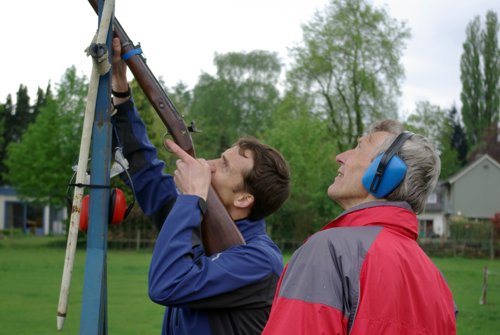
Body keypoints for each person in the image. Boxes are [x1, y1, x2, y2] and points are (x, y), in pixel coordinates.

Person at [110, 37, 291, 335]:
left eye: (223, 166)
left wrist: (192, 197)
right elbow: (144, 171)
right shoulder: (197, 220)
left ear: (244, 198)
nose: (206, 164)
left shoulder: (260, 260)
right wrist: (121, 89)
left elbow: (166, 285)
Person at [262, 120, 457, 334]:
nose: (340, 156)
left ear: (384, 171)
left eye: (359, 147)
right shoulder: (436, 280)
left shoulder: (330, 251)